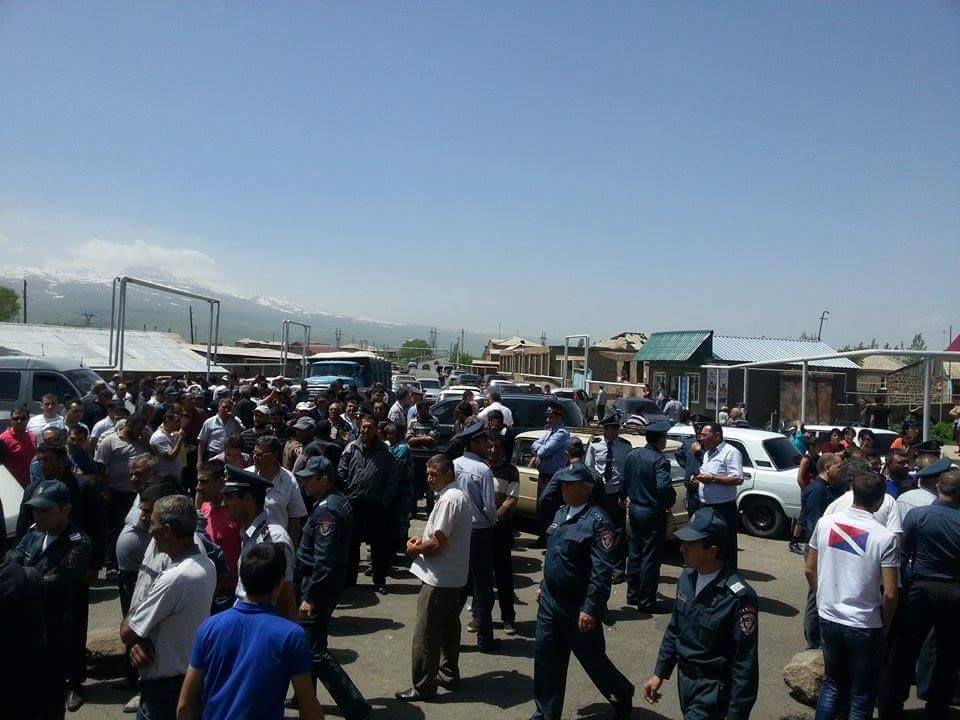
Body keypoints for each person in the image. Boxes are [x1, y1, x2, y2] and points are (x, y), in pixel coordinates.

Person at [531, 463, 633, 720]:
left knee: (593, 660)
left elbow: (602, 571)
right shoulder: (560, 513)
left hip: (578, 605)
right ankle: (544, 713)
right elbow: (554, 556)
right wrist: (544, 585)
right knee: (546, 659)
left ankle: (621, 693)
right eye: (563, 483)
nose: (563, 487)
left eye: (569, 484)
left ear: (585, 488)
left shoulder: (598, 522)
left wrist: (591, 608)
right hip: (550, 601)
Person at [177, 543, 324, 720]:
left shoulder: (208, 627)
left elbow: (184, 707)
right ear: (280, 582)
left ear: (242, 578)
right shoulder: (291, 635)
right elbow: (309, 708)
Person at [16, 439, 107, 711]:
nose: (43, 464)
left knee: (74, 631)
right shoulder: (34, 492)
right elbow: (22, 534)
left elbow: (98, 526)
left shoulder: (83, 487)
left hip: (73, 575)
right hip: (35, 592)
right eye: (40, 460)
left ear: (62, 459)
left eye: (48, 459)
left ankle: (74, 682)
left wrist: (95, 565)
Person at [643, 508, 759, 720]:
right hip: (685, 682)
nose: (681, 548)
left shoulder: (739, 597)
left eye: (690, 544)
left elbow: (745, 664)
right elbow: (675, 630)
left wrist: (737, 715)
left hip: (712, 690)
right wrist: (659, 673)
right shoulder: (686, 579)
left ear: (712, 550)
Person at [805, 472, 898, 720]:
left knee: (831, 684)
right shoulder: (885, 537)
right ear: (880, 500)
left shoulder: (825, 523)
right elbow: (890, 593)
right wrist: (885, 627)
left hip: (829, 616)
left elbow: (809, 568)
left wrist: (822, 598)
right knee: (862, 694)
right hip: (865, 624)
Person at [121, 495, 217, 720]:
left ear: (166, 531)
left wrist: (138, 610)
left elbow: (127, 632)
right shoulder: (207, 564)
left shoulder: (174, 578)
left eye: (152, 523)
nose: (149, 529)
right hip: (188, 679)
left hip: (164, 690)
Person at [878, 467, 960, 720]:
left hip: (920, 590)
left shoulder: (918, 515)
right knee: (947, 654)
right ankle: (937, 709)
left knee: (903, 650)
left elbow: (902, 554)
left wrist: (906, 585)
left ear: (938, 488)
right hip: (953, 593)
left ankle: (891, 706)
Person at [295, 455, 371, 719]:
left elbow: (324, 561)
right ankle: (305, 695)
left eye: (309, 479)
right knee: (311, 643)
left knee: (314, 651)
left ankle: (355, 705)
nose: (304, 483)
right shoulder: (334, 501)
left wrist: (310, 596)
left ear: (323, 479)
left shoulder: (328, 510)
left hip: (319, 586)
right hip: (324, 584)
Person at [11, 479, 93, 720]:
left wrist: (21, 578)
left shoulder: (78, 544)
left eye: (45, 510)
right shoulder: (34, 533)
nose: (38, 515)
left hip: (52, 629)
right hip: (24, 626)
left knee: (49, 696)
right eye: (35, 509)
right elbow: (13, 562)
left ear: (65, 509)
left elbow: (51, 583)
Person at [395, 454, 473, 702]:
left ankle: (423, 686)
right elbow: (442, 537)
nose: (429, 479)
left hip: (440, 579)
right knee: (449, 629)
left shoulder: (449, 499)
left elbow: (438, 544)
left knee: (426, 634)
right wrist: (422, 541)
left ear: (448, 473)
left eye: (434, 474)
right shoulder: (455, 496)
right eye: (427, 474)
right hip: (452, 577)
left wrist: (415, 548)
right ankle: (448, 674)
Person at [221, 466, 297, 621]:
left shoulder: (273, 539)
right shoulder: (250, 534)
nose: (223, 503)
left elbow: (286, 604)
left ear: (248, 499)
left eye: (228, 497)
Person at [454, 420, 500, 652]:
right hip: (480, 532)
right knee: (483, 588)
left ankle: (448, 636)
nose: (488, 446)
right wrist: (493, 522)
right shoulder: (483, 470)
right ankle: (485, 639)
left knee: (460, 586)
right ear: (474, 443)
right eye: (484, 441)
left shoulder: (454, 465)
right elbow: (490, 508)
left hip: (459, 531)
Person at [338, 414, 398, 594]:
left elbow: (392, 478)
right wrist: (346, 494)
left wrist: (385, 500)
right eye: (363, 427)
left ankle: (379, 581)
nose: (366, 430)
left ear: (376, 429)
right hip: (353, 504)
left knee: (379, 545)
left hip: (375, 505)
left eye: (370, 427)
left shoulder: (385, 451)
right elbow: (341, 472)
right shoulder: (351, 448)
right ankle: (350, 580)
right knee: (351, 544)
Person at [622, 419, 676, 613]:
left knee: (635, 552)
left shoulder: (633, 454)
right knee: (650, 558)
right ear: (661, 439)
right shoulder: (659, 460)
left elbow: (624, 480)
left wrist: (623, 497)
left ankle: (633, 594)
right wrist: (670, 500)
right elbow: (663, 487)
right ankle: (646, 601)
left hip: (635, 509)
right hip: (652, 513)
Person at [796, 453, 846, 649]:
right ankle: (813, 639)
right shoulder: (817, 491)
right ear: (828, 468)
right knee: (816, 592)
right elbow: (815, 525)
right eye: (839, 466)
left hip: (826, 547)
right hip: (818, 549)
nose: (842, 469)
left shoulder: (831, 488)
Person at [95, 413, 148, 578]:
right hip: (115, 492)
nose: (140, 432)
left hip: (136, 493)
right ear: (129, 424)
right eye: (138, 428)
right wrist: (104, 491)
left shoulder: (140, 442)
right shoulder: (110, 441)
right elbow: (100, 469)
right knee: (114, 529)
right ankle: (111, 564)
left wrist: (146, 443)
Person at [584, 415, 632, 582]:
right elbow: (589, 468)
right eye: (611, 428)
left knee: (618, 531)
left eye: (616, 428)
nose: (614, 431)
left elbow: (628, 472)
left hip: (616, 494)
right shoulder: (595, 444)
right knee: (598, 529)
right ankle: (599, 564)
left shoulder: (625, 446)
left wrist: (625, 495)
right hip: (600, 493)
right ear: (604, 429)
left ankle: (618, 569)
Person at [690, 423, 744, 571]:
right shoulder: (707, 454)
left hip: (723, 509)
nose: (701, 438)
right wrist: (699, 480)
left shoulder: (731, 452)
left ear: (717, 436)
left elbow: (737, 479)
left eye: (705, 435)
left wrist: (713, 479)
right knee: (709, 546)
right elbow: (707, 475)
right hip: (706, 507)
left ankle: (728, 578)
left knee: (725, 548)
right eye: (701, 435)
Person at [194, 461, 241, 613]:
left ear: (221, 482)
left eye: (204, 482)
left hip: (227, 592)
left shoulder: (235, 514)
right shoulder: (205, 508)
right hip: (205, 586)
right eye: (198, 481)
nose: (198, 487)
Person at [247, 435, 308, 548]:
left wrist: (291, 550)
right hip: (250, 543)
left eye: (260, 455)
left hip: (277, 546)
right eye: (254, 453)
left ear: (274, 456)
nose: (255, 457)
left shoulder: (289, 480)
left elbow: (295, 521)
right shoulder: (247, 476)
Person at [488, 431, 519, 636]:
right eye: (489, 447)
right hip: (481, 532)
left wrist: (494, 519)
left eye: (496, 447)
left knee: (503, 578)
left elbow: (511, 499)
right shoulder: (480, 468)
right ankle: (480, 616)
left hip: (500, 532)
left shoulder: (510, 471)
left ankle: (508, 618)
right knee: (481, 578)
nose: (492, 451)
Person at [529, 400, 571, 542]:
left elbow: (543, 451)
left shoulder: (562, 434)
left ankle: (549, 538)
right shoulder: (549, 432)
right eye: (547, 416)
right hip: (544, 475)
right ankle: (543, 536)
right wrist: (539, 448)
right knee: (541, 506)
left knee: (549, 506)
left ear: (559, 417)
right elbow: (534, 445)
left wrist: (540, 449)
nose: (547, 420)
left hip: (554, 476)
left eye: (551, 417)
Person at [407, 400, 439, 515]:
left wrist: (417, 439)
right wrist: (425, 438)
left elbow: (433, 439)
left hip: (429, 459)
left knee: (429, 486)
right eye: (423, 409)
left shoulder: (434, 421)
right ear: (418, 410)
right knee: (413, 486)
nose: (426, 412)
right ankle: (413, 511)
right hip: (415, 458)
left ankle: (430, 511)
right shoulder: (412, 422)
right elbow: (409, 440)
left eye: (427, 409)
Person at [2, 405, 38, 487]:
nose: (19, 421)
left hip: (31, 484)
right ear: (11, 420)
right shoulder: (3, 439)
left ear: (28, 419)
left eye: (23, 418)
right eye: (16, 418)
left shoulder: (32, 436)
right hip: (12, 485)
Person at [675, 415, 704, 515]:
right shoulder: (688, 442)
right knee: (692, 516)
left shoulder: (712, 444)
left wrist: (700, 452)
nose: (698, 431)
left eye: (701, 428)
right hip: (692, 489)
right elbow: (679, 455)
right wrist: (688, 468)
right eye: (696, 428)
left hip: (706, 489)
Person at [198, 399, 243, 463]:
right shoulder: (209, 422)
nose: (227, 410)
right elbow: (202, 442)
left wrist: (234, 419)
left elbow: (241, 433)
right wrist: (199, 460)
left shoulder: (236, 421)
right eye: (224, 407)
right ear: (219, 407)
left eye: (229, 408)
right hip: (213, 454)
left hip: (230, 455)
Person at [149, 404, 184, 485]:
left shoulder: (169, 434)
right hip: (165, 478)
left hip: (173, 477)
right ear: (167, 420)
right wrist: (180, 439)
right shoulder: (159, 437)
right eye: (176, 421)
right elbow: (171, 456)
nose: (179, 423)